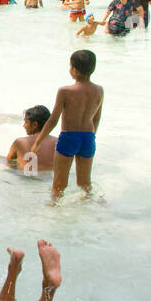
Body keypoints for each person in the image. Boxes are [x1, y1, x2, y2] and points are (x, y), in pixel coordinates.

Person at [30, 49, 103, 201]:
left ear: (74, 69)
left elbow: (53, 120)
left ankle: (53, 209)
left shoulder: (65, 91)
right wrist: (92, 137)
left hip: (69, 137)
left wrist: (38, 141)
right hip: (88, 138)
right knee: (84, 184)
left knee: (59, 184)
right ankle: (91, 205)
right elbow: (96, 118)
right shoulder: (99, 90)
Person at [5, 105, 56, 173]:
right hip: (49, 178)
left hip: (24, 178)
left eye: (26, 122)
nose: (23, 126)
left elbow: (8, 162)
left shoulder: (20, 142)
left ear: (35, 125)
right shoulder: (58, 142)